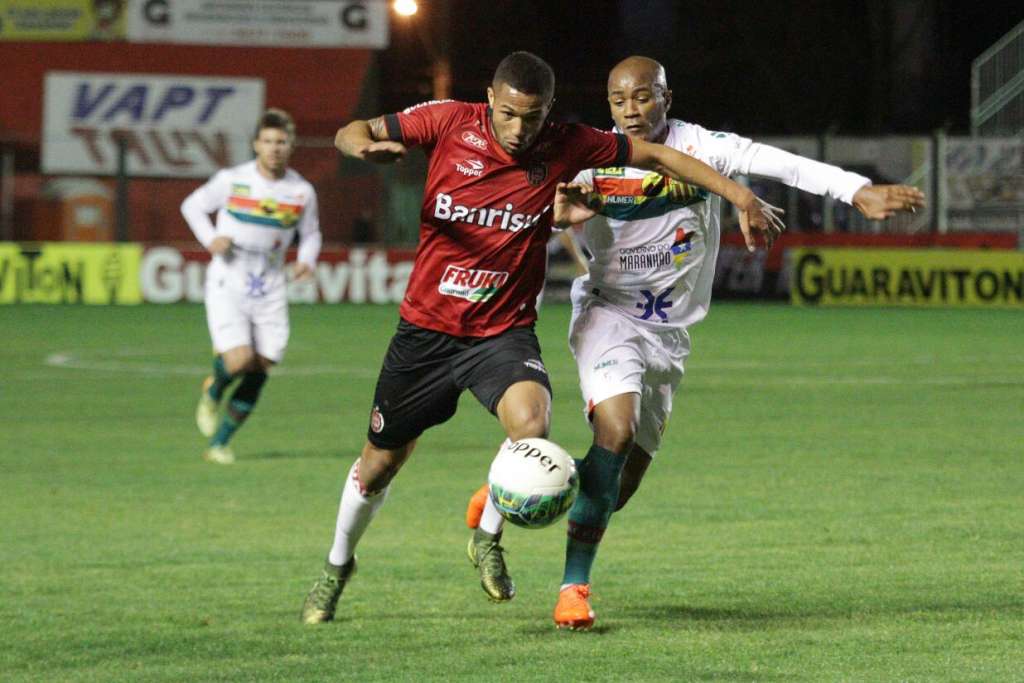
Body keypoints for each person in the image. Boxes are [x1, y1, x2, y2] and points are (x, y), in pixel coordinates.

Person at [300, 51, 782, 625]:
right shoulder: (448, 120)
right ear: (489, 100)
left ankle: (487, 537)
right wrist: (359, 145)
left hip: (501, 333)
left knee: (533, 428)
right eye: (507, 115)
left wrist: (739, 195)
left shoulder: (566, 143)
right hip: (425, 332)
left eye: (531, 118)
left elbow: (656, 154)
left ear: (548, 111)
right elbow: (355, 129)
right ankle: (337, 566)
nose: (518, 129)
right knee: (379, 464)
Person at [466, 56, 926, 630]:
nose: (631, 111)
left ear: (667, 98)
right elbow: (540, 210)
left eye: (643, 97)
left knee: (620, 484)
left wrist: (855, 191)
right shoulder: (592, 158)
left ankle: (507, 490)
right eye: (618, 100)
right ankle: (572, 590)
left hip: (671, 336)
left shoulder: (705, 148)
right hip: (609, 313)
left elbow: (778, 164)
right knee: (616, 429)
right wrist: (559, 214)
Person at [182, 108, 321, 465]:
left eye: (281, 141)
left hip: (271, 282)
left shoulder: (301, 190)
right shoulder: (233, 179)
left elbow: (311, 233)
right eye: (268, 141)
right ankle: (214, 390)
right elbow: (193, 206)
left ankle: (219, 444)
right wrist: (211, 239)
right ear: (256, 144)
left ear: (291, 145)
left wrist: (307, 258)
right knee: (240, 359)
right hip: (230, 277)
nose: (274, 148)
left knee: (263, 364)